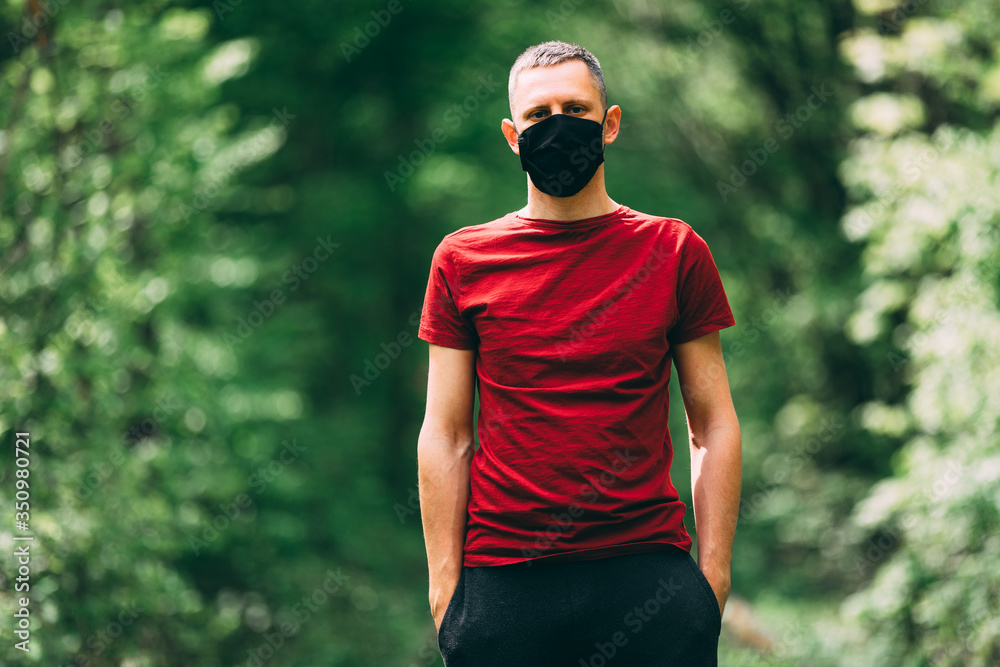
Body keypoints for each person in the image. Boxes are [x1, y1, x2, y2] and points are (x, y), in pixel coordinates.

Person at [416, 40, 742, 666]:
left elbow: (713, 425)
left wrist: (711, 582)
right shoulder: (461, 261)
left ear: (609, 123)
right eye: (539, 115)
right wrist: (446, 593)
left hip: (650, 580)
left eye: (576, 108)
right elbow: (447, 433)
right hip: (505, 589)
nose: (558, 125)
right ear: (513, 135)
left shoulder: (673, 252)